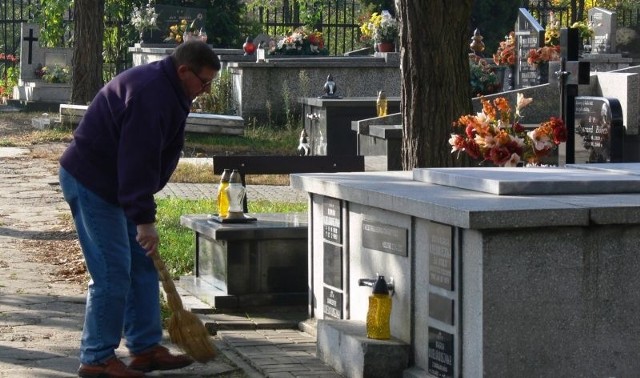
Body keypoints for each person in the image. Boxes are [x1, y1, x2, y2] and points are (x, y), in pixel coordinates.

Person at [58, 40, 221, 377]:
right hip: (92, 182)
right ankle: (97, 357)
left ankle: (145, 348)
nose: (206, 90)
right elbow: (137, 161)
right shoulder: (151, 94)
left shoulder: (171, 89)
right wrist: (143, 220)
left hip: (117, 185)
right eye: (203, 82)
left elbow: (144, 162)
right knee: (112, 272)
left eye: (210, 84)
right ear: (183, 71)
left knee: (143, 267)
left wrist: (140, 208)